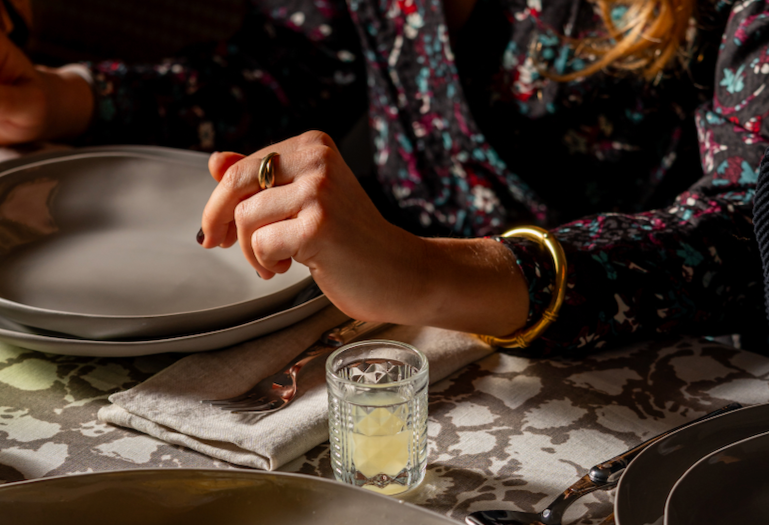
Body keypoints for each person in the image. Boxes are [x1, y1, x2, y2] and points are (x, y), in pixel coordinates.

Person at [0, 0, 766, 356]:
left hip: (660, 385)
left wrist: (430, 270)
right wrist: (63, 100)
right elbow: (290, 66)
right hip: (380, 346)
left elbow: (744, 227)